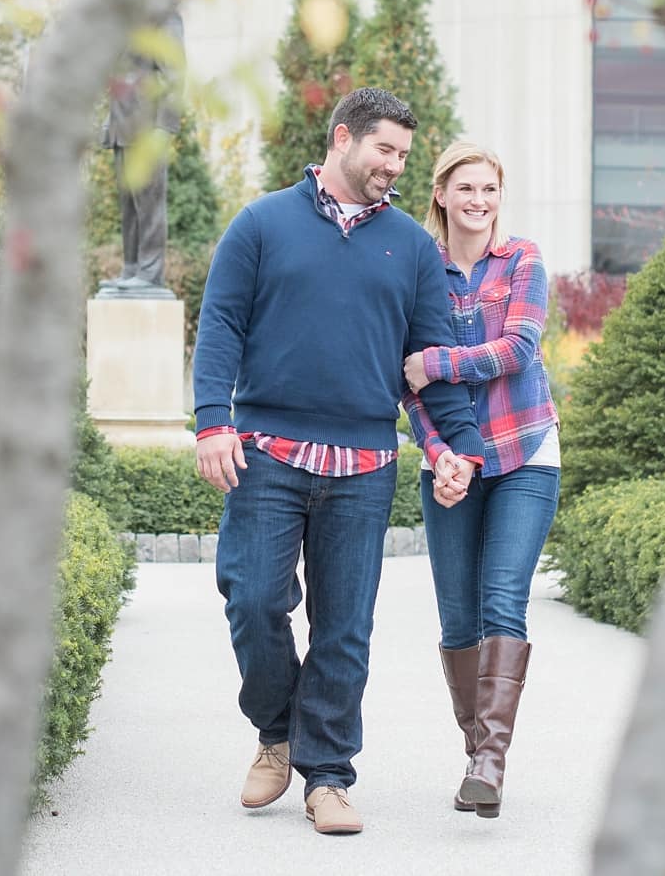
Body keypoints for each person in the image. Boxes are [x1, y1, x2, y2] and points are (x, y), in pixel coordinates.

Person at [191, 88, 483, 837]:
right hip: (265, 452)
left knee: (344, 626)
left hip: (364, 461)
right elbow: (220, 322)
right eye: (385, 149)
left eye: (404, 156)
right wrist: (211, 423)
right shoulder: (261, 223)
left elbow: (427, 363)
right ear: (343, 138)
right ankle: (275, 731)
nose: (395, 166)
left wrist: (458, 449)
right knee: (254, 600)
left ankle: (327, 776)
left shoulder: (414, 248)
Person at [401, 140, 561, 819]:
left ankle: (491, 760)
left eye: (489, 190)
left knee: (502, 600)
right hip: (454, 463)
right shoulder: (418, 272)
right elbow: (406, 385)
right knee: (457, 617)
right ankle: (477, 752)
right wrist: (441, 452)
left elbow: (517, 351)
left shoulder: (521, 259)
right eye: (465, 188)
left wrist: (437, 361)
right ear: (441, 193)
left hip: (525, 449)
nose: (478, 201)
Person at [98, 9, 183, 295]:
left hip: (148, 129)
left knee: (149, 205)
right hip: (122, 128)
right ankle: (132, 267)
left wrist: (165, 127)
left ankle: (150, 272)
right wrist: (109, 122)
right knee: (129, 207)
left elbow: (175, 76)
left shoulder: (164, 15)